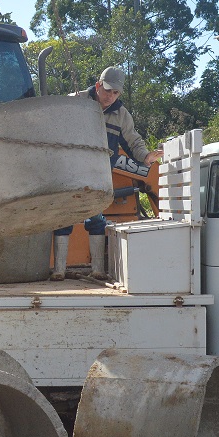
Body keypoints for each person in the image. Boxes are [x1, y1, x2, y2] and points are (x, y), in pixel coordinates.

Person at [51, 66, 163, 280]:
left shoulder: (121, 115)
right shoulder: (75, 101)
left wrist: (146, 157)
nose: (111, 97)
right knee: (63, 217)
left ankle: (98, 270)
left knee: (96, 218)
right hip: (69, 171)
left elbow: (133, 141)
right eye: (107, 91)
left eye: (116, 93)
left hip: (98, 174)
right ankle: (58, 270)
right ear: (97, 86)